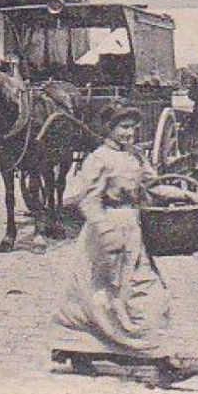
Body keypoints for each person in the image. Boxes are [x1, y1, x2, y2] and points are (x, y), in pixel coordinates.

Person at [55, 105, 171, 355]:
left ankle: (145, 345)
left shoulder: (136, 157)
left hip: (132, 228)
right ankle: (96, 345)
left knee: (143, 287)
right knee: (105, 290)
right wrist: (106, 232)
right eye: (124, 128)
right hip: (108, 230)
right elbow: (88, 201)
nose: (130, 133)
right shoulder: (99, 158)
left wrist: (181, 195)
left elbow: (152, 186)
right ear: (110, 129)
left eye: (133, 128)